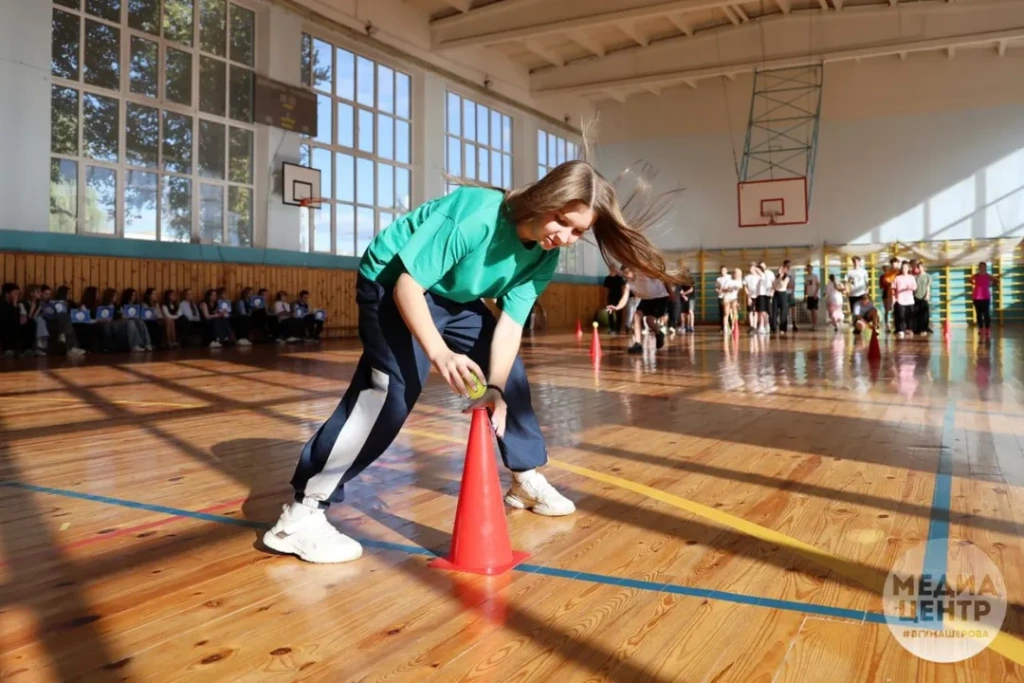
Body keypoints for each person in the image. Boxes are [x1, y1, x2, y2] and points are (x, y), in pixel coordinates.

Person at [264, 160, 685, 564]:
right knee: (391, 390)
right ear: (544, 198)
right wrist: (439, 353)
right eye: (563, 221)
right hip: (392, 281)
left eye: (579, 232)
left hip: (453, 295)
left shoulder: (544, 254)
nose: (567, 237)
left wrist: (496, 388)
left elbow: (509, 327)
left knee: (511, 382)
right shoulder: (477, 215)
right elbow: (408, 286)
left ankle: (524, 477)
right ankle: (301, 515)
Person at [970, 262, 998, 336]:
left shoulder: (988, 276)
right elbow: (969, 280)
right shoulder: (976, 275)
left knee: (986, 314)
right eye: (980, 266)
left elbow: (996, 280)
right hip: (977, 297)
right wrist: (975, 284)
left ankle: (987, 329)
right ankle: (981, 329)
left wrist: (990, 285)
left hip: (986, 297)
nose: (981, 268)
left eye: (983, 266)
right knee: (979, 314)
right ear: (979, 268)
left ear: (985, 268)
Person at [892, 260, 917, 339]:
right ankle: (901, 330)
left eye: (906, 267)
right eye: (903, 268)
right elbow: (893, 288)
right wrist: (894, 299)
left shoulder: (911, 277)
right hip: (900, 300)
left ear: (908, 268)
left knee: (910, 316)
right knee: (901, 315)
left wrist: (909, 288)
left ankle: (909, 329)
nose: (904, 269)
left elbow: (915, 287)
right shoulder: (897, 278)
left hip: (910, 300)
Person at [913, 261, 932, 335]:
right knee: (916, 313)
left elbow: (928, 286)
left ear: (924, 268)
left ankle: (924, 328)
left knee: (924, 314)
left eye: (920, 266)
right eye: (918, 267)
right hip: (916, 296)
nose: (919, 268)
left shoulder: (928, 276)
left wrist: (927, 295)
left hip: (924, 296)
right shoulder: (916, 277)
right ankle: (916, 328)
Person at [804, 264, 820, 329]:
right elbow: (805, 287)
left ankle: (815, 324)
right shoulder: (806, 277)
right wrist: (805, 295)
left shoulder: (815, 276)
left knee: (814, 310)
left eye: (810, 268)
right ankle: (813, 324)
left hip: (814, 295)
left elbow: (818, 285)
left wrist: (816, 293)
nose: (808, 270)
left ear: (812, 269)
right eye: (807, 268)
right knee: (811, 310)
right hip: (809, 295)